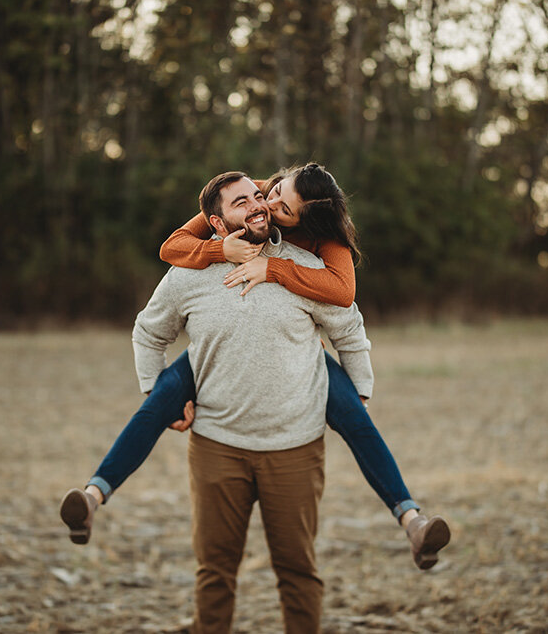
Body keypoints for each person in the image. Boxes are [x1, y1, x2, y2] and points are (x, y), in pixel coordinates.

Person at [61, 163, 449, 572]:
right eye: (274, 189)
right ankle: (91, 497)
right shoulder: (257, 192)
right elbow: (171, 248)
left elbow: (343, 298)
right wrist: (217, 249)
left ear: (304, 222)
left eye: (282, 206)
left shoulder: (320, 238)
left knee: (356, 417)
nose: (269, 202)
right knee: (157, 402)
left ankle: (413, 521)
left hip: (300, 358)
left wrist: (276, 269)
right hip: (212, 362)